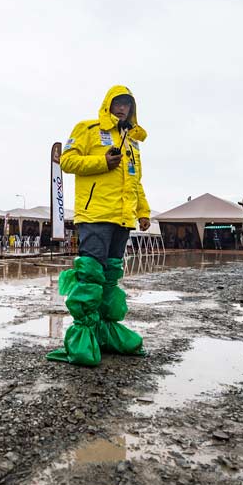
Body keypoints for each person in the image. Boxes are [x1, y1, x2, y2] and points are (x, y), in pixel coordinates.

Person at [47, 85, 149, 367]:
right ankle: (82, 338)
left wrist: (142, 211)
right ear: (108, 104)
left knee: (110, 277)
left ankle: (105, 332)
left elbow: (135, 182)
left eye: (128, 104)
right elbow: (66, 160)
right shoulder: (88, 128)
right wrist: (101, 162)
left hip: (122, 218)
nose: (123, 108)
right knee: (91, 275)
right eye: (118, 103)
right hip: (95, 215)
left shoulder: (132, 143)